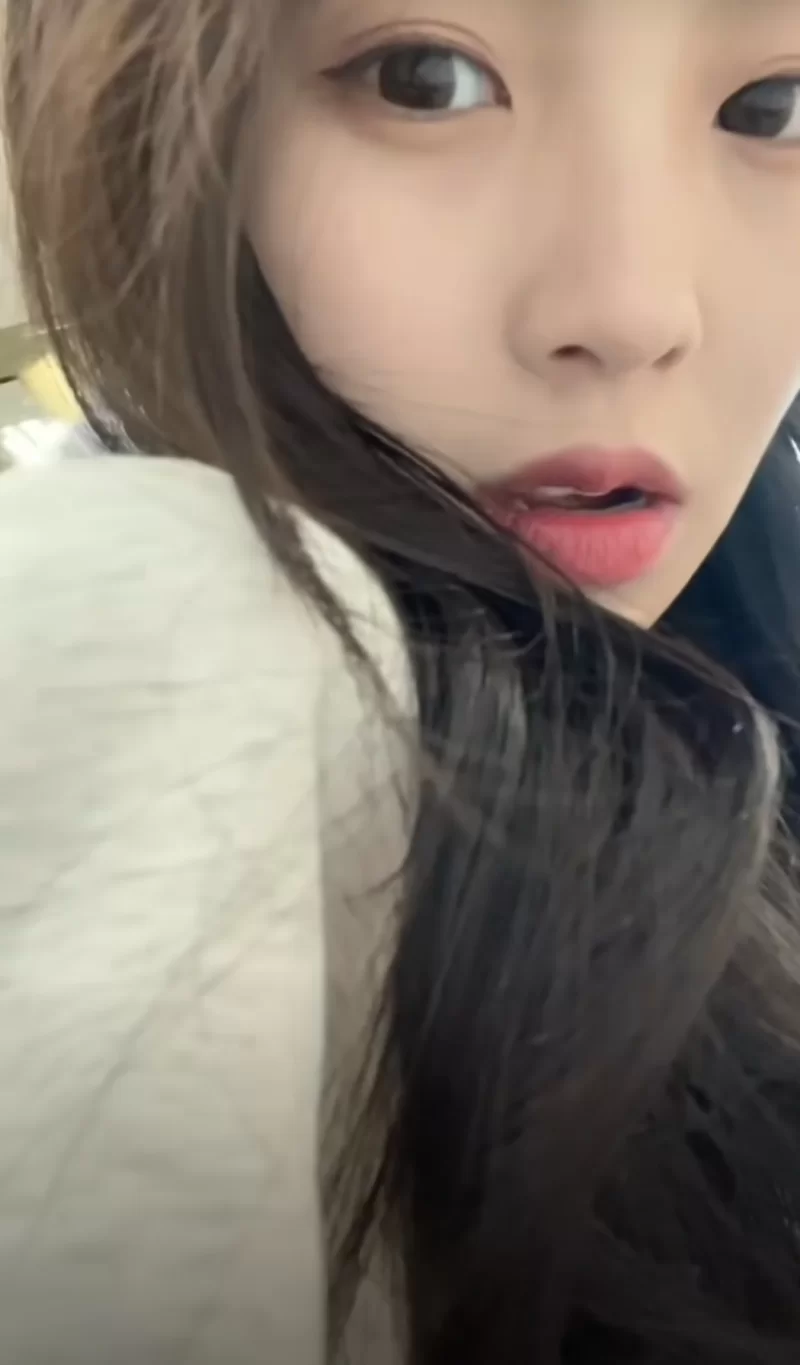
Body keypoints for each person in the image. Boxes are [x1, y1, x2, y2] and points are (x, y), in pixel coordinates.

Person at [3, 1, 800, 1361]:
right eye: (425, 80)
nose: (630, 311)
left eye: (774, 110)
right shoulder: (162, 626)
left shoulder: (754, 580)